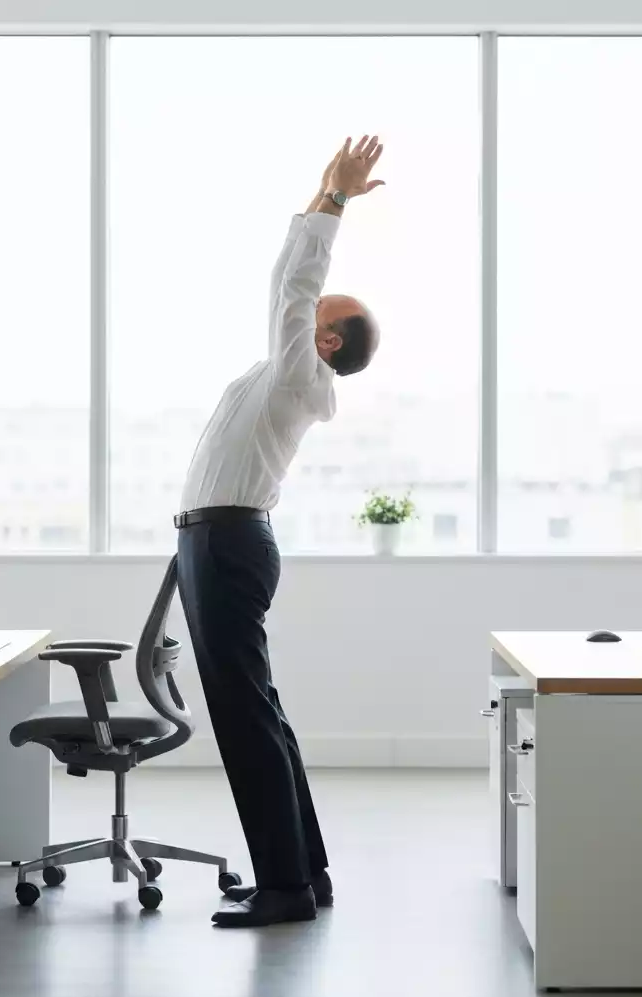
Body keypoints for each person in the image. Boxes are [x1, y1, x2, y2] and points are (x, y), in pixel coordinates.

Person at [174, 136, 385, 928]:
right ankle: (305, 874)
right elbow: (294, 288)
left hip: (226, 544)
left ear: (326, 341)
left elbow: (291, 282)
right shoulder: (285, 376)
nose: (303, 318)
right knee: (259, 710)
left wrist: (332, 200)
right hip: (220, 541)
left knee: (246, 718)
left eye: (318, 318)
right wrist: (319, 193)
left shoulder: (301, 373)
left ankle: (286, 888)